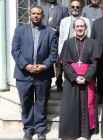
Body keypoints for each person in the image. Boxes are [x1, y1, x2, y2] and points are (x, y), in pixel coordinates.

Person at [11, 6, 57, 140]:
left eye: (39, 14)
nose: (36, 16)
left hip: (43, 74)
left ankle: (40, 129)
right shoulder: (19, 30)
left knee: (41, 103)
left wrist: (44, 66)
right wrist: (26, 66)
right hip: (23, 74)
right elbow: (15, 51)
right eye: (34, 13)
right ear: (29, 15)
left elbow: (53, 54)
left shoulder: (50, 32)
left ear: (42, 16)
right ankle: (28, 129)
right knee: (26, 103)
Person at [58, 18, 100, 140]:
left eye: (82, 26)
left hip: (88, 79)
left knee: (88, 105)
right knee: (71, 106)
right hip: (72, 80)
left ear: (85, 28)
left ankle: (86, 131)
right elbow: (64, 63)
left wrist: (86, 77)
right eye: (77, 26)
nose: (80, 28)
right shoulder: (68, 43)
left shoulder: (92, 43)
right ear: (74, 28)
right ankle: (71, 133)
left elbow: (94, 63)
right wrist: (75, 77)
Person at [41, 0, 68, 91]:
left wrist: (56, 28)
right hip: (44, 37)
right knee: (44, 59)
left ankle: (59, 82)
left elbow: (66, 23)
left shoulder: (63, 9)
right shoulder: (42, 7)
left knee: (58, 61)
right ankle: (45, 81)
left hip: (57, 38)